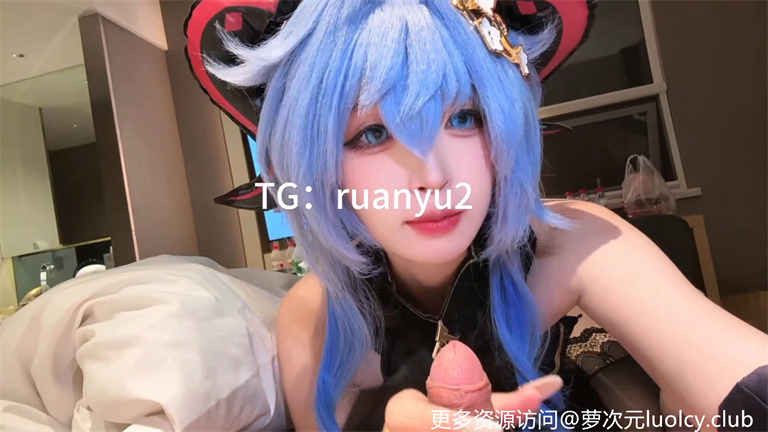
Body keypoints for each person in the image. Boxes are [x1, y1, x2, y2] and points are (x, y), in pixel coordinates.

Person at [192, 0, 768, 430]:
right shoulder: (314, 317)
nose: (433, 175)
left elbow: (746, 387)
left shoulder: (572, 243)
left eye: (463, 119)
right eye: (371, 133)